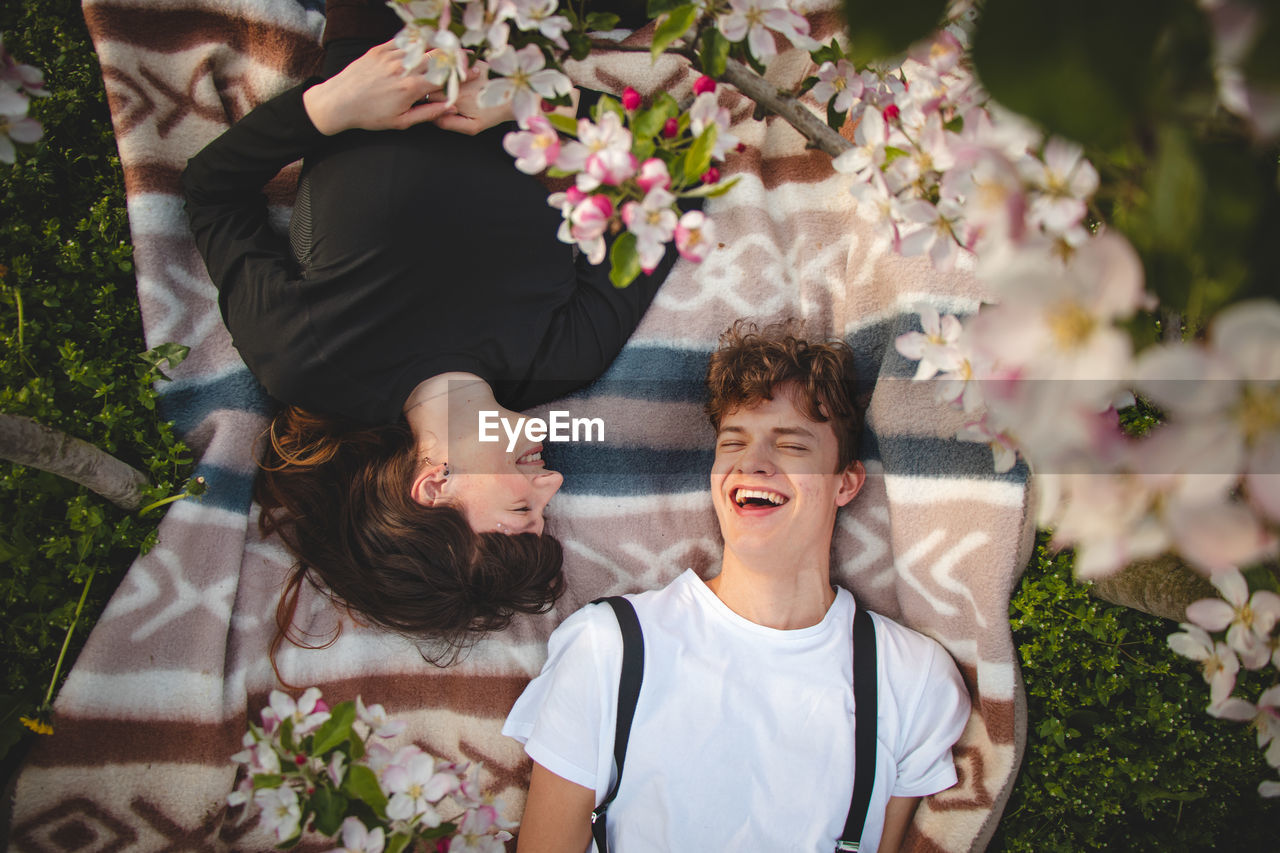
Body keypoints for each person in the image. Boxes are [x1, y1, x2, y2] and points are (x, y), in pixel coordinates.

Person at [180, 0, 687, 655]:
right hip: (533, 23)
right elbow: (674, 176)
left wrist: (328, 109)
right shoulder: (565, 356)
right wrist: (542, 105)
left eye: (519, 511)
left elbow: (211, 194)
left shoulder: (307, 359)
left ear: (433, 485)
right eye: (546, 509)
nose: (552, 482)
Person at [502, 322, 971, 851]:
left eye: (791, 444)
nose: (752, 463)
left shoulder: (914, 680)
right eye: (734, 442)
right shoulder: (607, 645)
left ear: (846, 483)